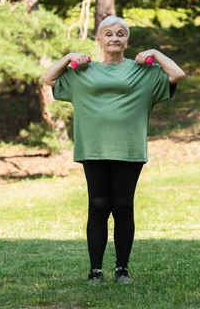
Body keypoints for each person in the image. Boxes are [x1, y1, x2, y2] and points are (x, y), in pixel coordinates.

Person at [40, 15, 185, 285]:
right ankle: (95, 270)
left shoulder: (143, 71)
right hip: (93, 148)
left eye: (120, 34)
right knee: (97, 206)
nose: (114, 38)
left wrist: (154, 53)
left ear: (127, 41)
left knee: (123, 207)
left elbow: (177, 74)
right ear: (99, 40)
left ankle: (122, 269)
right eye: (108, 34)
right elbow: (48, 78)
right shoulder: (83, 72)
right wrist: (69, 56)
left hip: (128, 149)